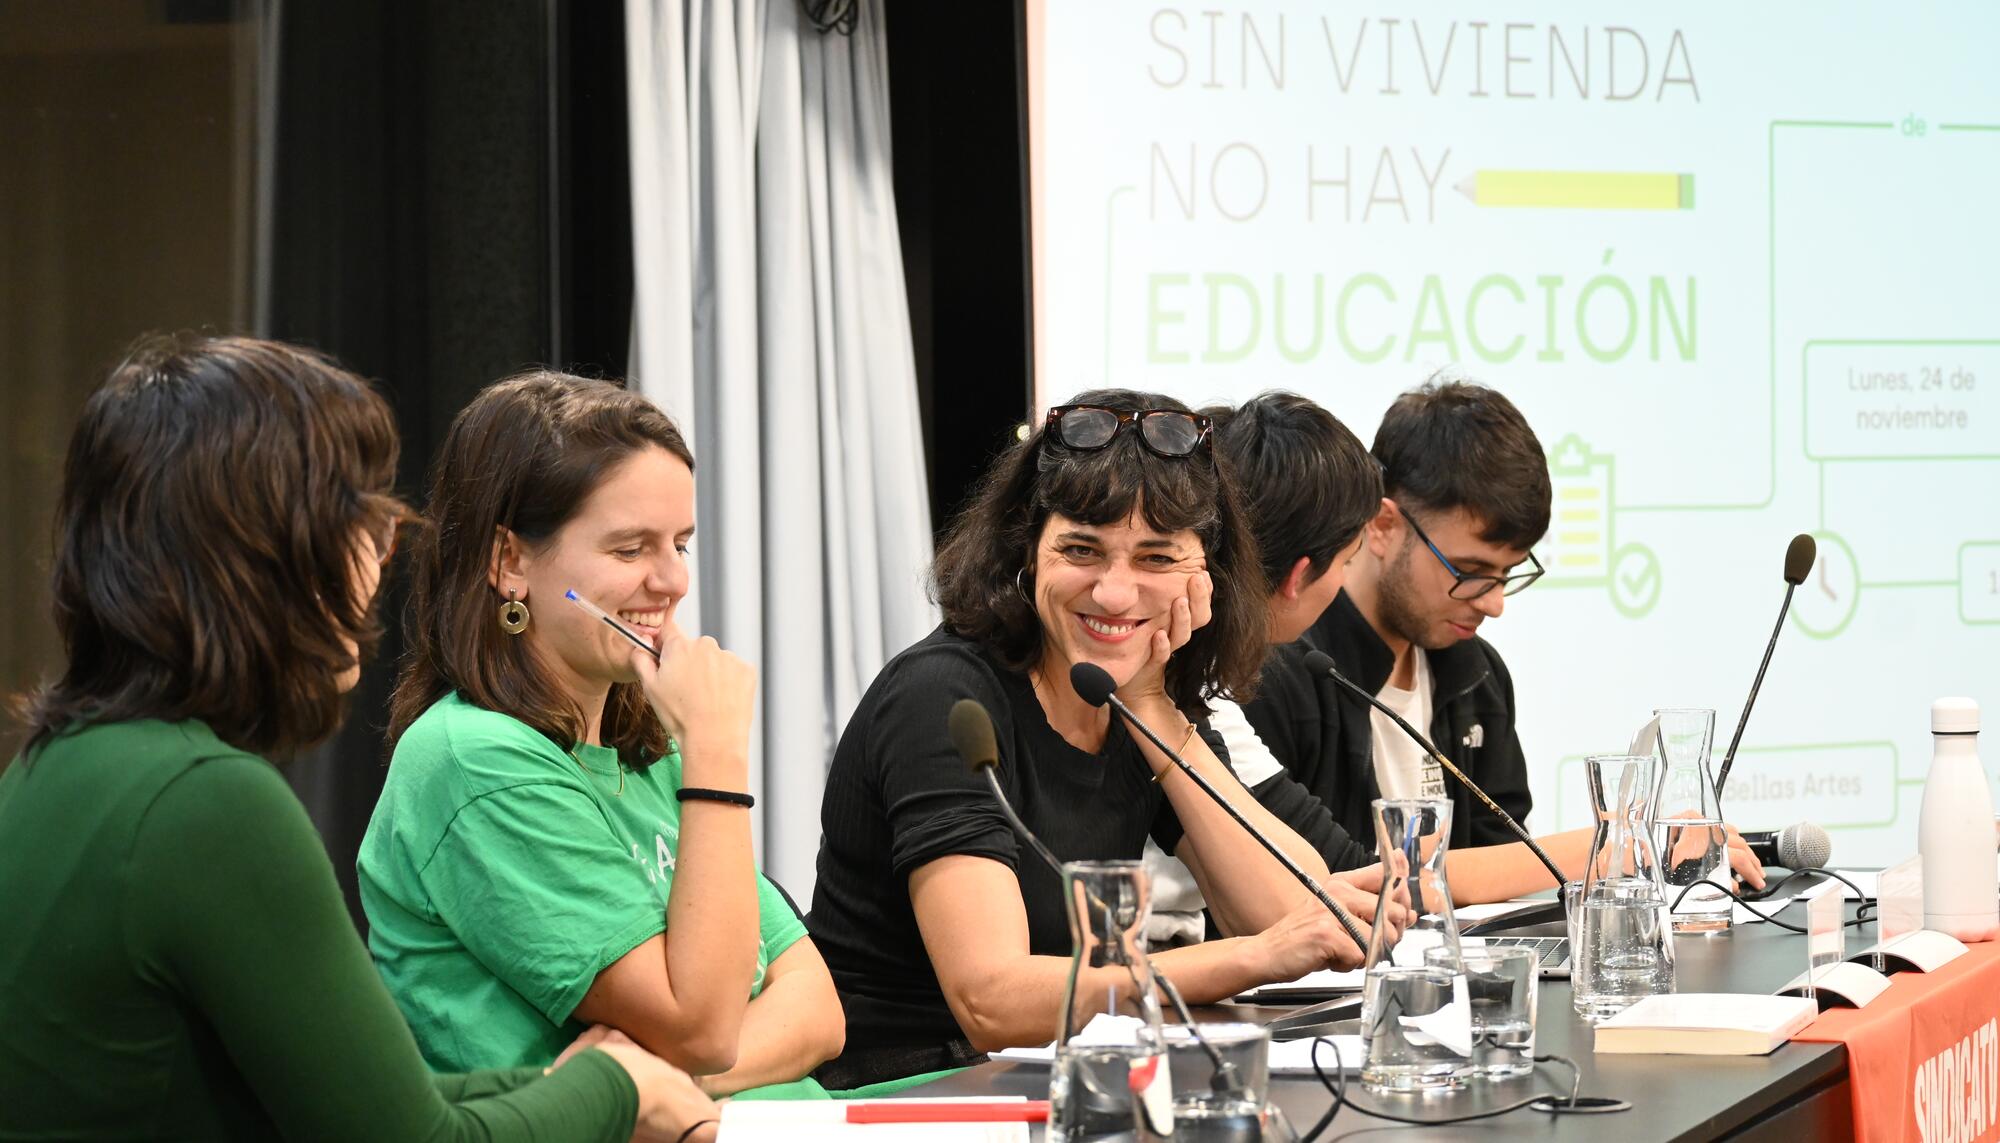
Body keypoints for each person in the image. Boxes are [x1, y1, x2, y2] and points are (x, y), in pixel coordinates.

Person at [0, 335, 715, 1141]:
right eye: (361, 522)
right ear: (264, 549)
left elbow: (377, 1098)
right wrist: (616, 1086)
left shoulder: (56, 768)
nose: (380, 557)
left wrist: (586, 1080)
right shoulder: (207, 804)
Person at [807, 389, 1410, 1089]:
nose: (1116, 594)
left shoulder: (1133, 693)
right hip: (905, 1092)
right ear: (1025, 553)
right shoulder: (942, 695)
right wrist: (1247, 959)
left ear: (1206, 577)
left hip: (1045, 1084)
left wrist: (1154, 707)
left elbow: (1297, 912)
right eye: (1081, 549)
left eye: (1157, 558)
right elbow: (990, 999)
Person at [360, 372, 843, 1101]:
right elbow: (704, 1026)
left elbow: (816, 1006)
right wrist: (717, 751)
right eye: (630, 549)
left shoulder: (648, 752)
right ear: (510, 562)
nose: (673, 579)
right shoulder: (476, 759)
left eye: (679, 543)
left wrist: (657, 1074)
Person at [1239, 380, 1764, 890]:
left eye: (1508, 574)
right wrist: (1620, 844)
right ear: (1382, 525)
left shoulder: (1477, 673)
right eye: (1470, 571)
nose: (1494, 603)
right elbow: (1341, 879)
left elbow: (1507, 873)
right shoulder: (1278, 670)